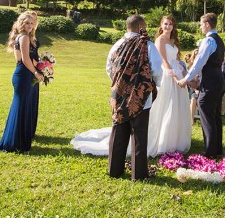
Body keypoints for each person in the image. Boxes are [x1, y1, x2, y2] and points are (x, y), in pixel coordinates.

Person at [69, 16, 162, 180]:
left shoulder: (117, 45)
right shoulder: (147, 45)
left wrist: (120, 85)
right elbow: (156, 70)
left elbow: (109, 68)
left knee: (118, 131)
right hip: (140, 97)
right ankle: (139, 174)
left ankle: (114, 170)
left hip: (119, 95)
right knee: (139, 136)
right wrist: (149, 84)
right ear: (140, 26)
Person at [0, 11, 43, 153]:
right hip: (24, 75)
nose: (30, 25)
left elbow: (26, 58)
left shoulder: (23, 37)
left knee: (22, 107)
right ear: (21, 24)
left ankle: (19, 139)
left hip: (25, 74)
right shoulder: (24, 37)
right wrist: (36, 72)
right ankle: (15, 143)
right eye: (27, 23)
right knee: (20, 107)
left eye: (32, 23)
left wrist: (42, 66)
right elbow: (25, 59)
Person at [178, 13, 225, 157]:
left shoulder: (208, 41)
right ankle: (217, 150)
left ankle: (210, 152)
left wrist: (186, 79)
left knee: (207, 116)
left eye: (201, 24)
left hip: (210, 83)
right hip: (219, 81)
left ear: (206, 24)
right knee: (216, 116)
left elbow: (199, 62)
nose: (200, 27)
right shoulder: (219, 40)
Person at [147, 15, 192, 156]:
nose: (168, 26)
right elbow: (164, 61)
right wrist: (175, 78)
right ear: (161, 25)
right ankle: (164, 142)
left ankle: (176, 141)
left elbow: (177, 60)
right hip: (167, 76)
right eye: (165, 24)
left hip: (178, 73)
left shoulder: (173, 40)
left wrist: (184, 75)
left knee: (179, 106)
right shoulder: (160, 40)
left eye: (170, 24)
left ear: (173, 26)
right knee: (168, 106)